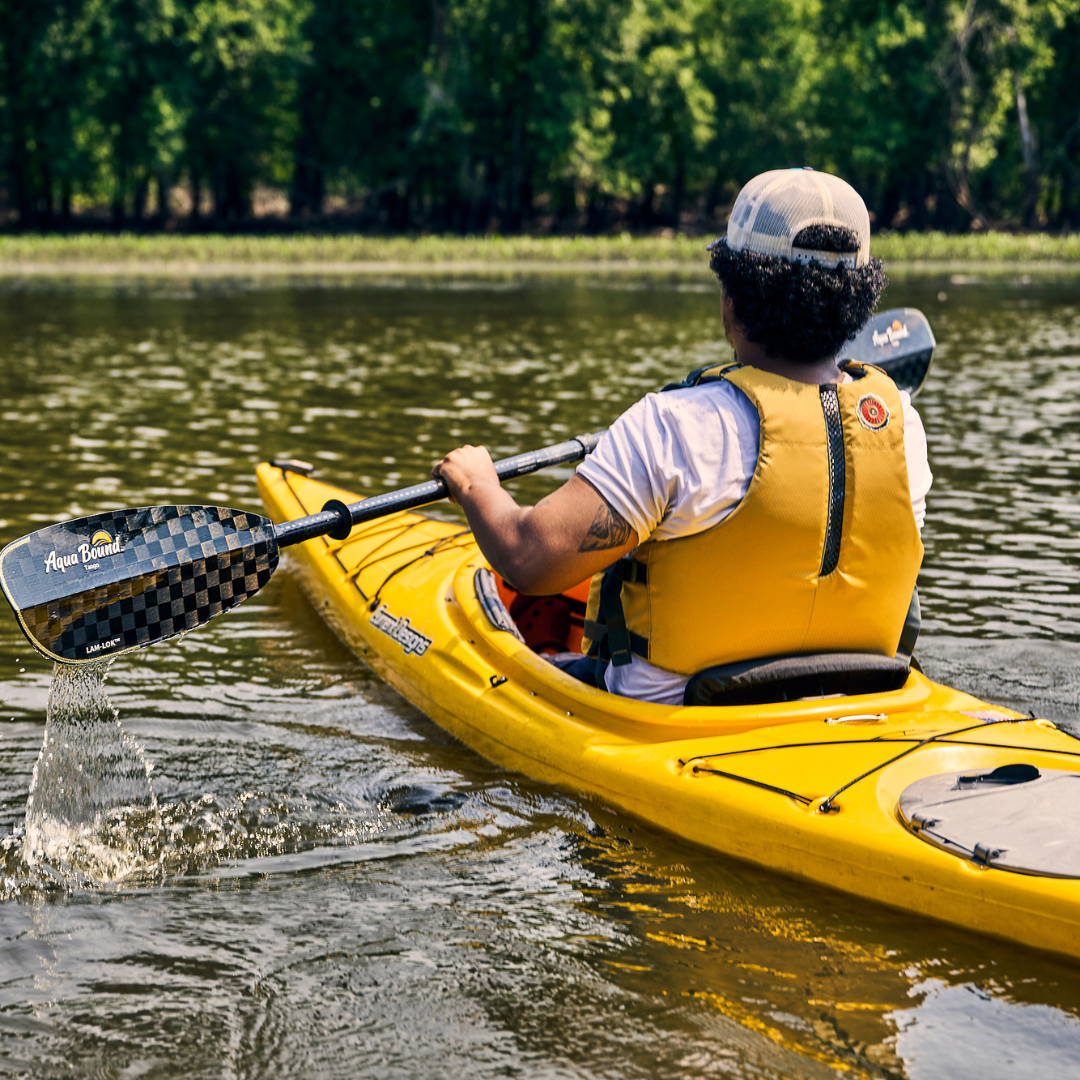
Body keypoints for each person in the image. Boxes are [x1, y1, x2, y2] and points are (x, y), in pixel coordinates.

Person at [432, 168, 932, 705]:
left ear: (733, 293)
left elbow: (528, 560)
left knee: (547, 655)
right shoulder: (903, 428)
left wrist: (478, 484)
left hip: (679, 722)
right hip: (858, 703)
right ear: (858, 302)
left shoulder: (673, 426)